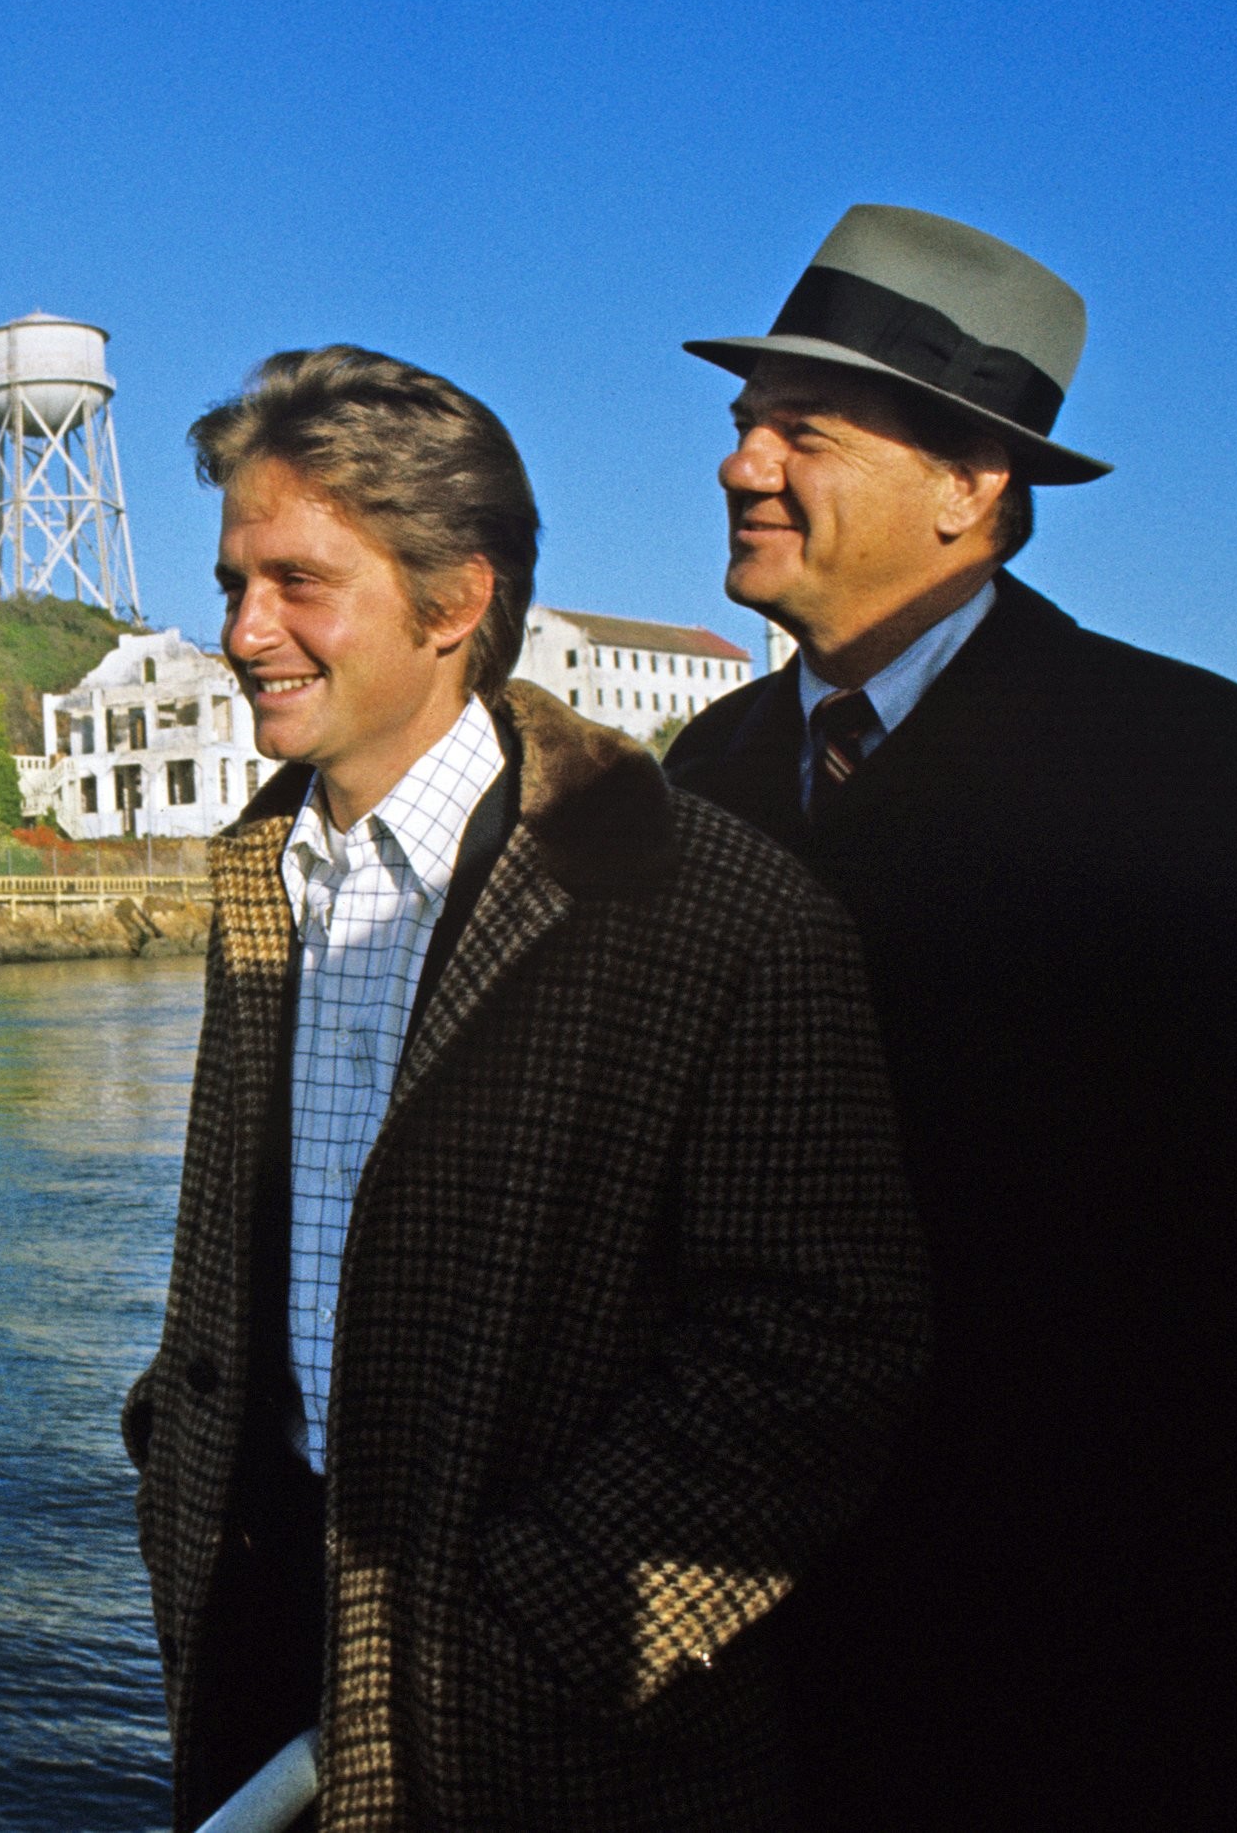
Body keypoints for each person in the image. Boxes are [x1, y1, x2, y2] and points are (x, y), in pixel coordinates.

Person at [664, 205, 1237, 1830]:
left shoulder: (1206, 772)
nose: (742, 465)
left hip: (1107, 1675)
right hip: (759, 1660)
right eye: (743, 425)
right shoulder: (702, 780)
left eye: (801, 432)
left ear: (972, 487)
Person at [124, 346, 929, 1831]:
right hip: (256, 1622)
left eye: (300, 582)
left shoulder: (718, 911)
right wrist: (180, 1461)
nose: (243, 632)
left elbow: (821, 1352)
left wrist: (535, 1616)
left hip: (546, 1721)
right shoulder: (262, 874)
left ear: (458, 600)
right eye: (233, 579)